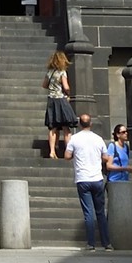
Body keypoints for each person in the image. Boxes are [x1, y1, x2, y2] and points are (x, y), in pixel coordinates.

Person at [65, 110, 111, 250]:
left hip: (82, 178)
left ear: (79, 124)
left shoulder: (74, 139)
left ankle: (91, 243)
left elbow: (67, 156)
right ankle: (106, 243)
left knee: (88, 213)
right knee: (100, 212)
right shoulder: (98, 139)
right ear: (90, 124)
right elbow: (106, 157)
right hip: (97, 178)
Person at [44, 48, 76, 159]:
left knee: (52, 127)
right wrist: (68, 93)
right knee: (66, 127)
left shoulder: (49, 72)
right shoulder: (62, 72)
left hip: (51, 100)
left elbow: (44, 85)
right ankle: (69, 151)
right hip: (60, 99)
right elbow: (66, 86)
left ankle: (52, 151)